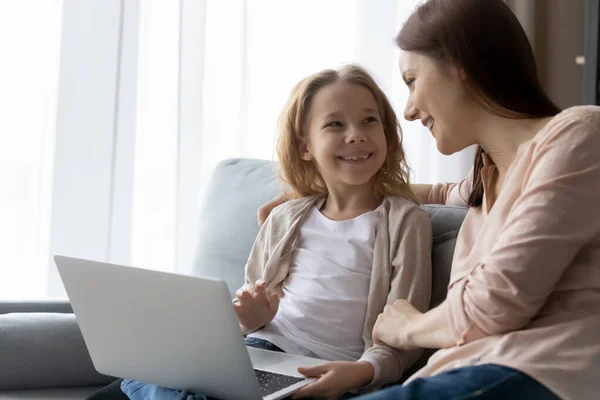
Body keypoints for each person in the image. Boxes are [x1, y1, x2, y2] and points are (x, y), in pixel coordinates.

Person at [258, 1, 600, 399]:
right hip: (460, 373)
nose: (407, 111)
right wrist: (325, 187)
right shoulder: (484, 178)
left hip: (538, 372)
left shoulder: (579, 136)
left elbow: (494, 304)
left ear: (459, 65)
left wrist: (406, 327)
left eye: (411, 80)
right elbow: (434, 193)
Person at [104, 64, 433, 400]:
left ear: (387, 135)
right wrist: (250, 320)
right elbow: (250, 301)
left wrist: (364, 371)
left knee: (155, 388)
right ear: (306, 147)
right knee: (136, 378)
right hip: (261, 349)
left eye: (369, 120)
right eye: (335, 124)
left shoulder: (405, 221)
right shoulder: (286, 217)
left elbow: (404, 332)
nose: (356, 134)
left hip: (326, 369)